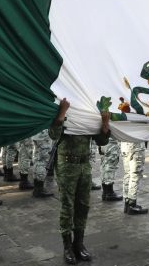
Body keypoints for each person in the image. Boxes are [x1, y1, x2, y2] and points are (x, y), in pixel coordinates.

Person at [49, 98, 110, 264]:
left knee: (83, 205)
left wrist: (105, 124)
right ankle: (67, 246)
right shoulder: (63, 104)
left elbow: (101, 141)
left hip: (84, 164)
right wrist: (62, 112)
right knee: (67, 205)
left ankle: (79, 243)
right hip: (66, 164)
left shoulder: (89, 110)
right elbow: (53, 134)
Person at [120, 140, 148, 215]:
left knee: (127, 173)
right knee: (135, 174)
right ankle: (132, 204)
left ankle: (127, 203)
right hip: (136, 143)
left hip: (124, 143)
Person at [31, 129, 55, 198]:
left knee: (37, 159)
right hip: (43, 133)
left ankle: (37, 188)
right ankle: (39, 190)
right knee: (43, 161)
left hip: (37, 132)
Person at [99, 137, 123, 201]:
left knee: (105, 164)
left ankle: (105, 192)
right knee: (110, 166)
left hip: (105, 139)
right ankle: (109, 193)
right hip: (111, 140)